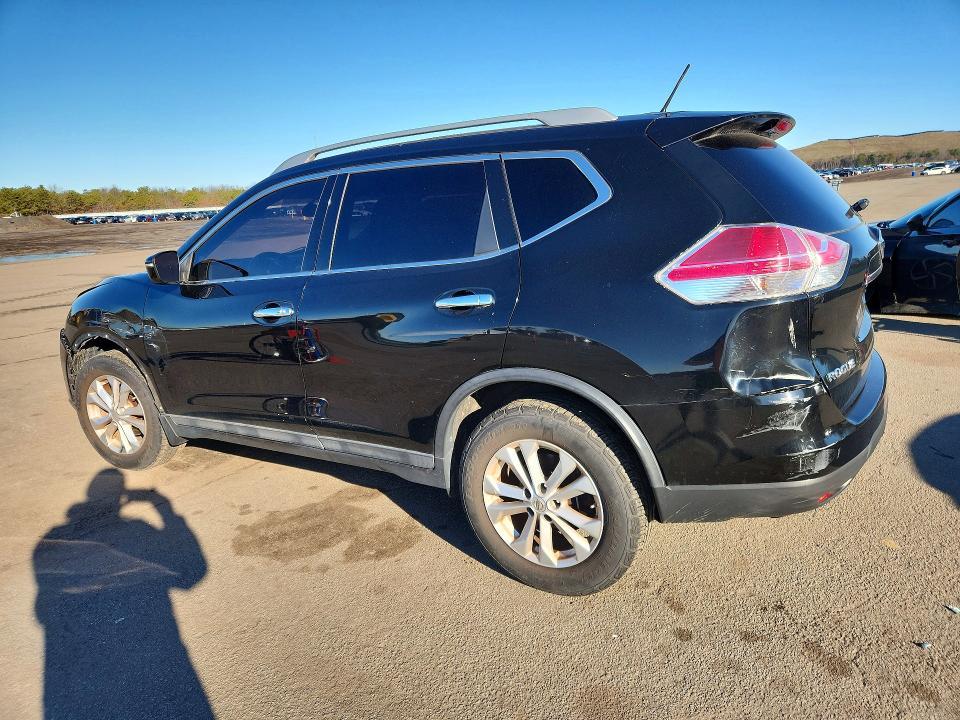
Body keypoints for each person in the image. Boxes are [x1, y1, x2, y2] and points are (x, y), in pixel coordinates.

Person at [33, 470, 212, 719]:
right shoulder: (137, 530)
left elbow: (44, 608)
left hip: (75, 666)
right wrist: (165, 508)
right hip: (156, 650)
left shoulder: (50, 540)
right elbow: (192, 575)